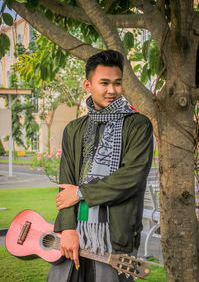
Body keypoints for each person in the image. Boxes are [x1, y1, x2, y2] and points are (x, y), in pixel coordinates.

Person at [47, 50, 153, 282]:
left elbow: (132, 177)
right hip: (75, 232)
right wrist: (67, 229)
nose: (112, 90)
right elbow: (66, 186)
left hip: (115, 236)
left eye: (117, 83)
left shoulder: (137, 125)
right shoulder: (74, 129)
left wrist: (81, 192)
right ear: (88, 84)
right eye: (104, 83)